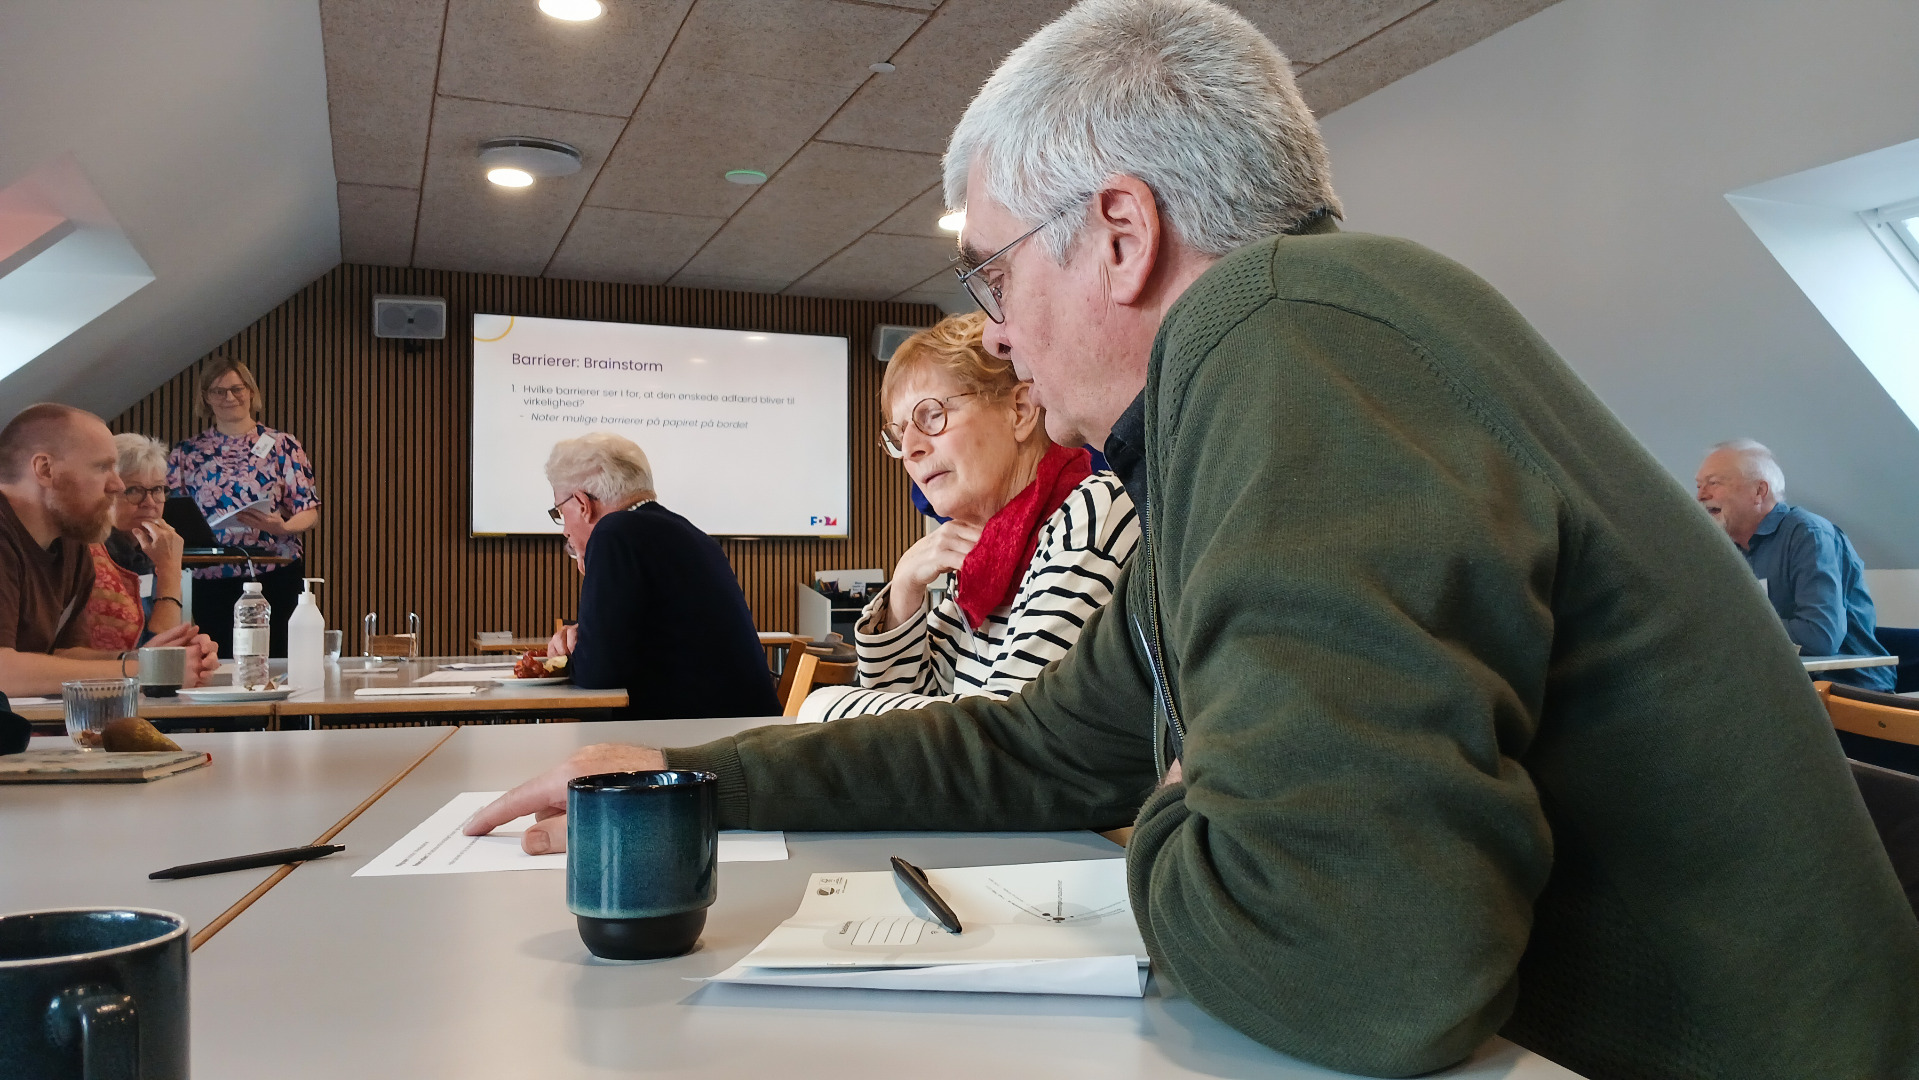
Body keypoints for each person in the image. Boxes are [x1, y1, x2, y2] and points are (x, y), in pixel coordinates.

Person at [467, 2, 1919, 1077]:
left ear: (1117, 233)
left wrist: (1182, 805)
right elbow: (1038, 749)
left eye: (990, 269)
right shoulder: (1262, 382)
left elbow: (1357, 969)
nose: (994, 333)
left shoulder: (1281, 336)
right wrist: (694, 780)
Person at [799, 312, 1137, 722]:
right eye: (899, 433)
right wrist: (904, 590)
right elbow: (900, 743)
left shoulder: (1092, 513)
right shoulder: (987, 551)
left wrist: (832, 709)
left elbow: (1015, 730)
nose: (910, 449)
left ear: (1020, 410)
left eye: (931, 416)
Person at [541, 432, 778, 721]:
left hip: (700, 748)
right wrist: (588, 637)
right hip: (739, 730)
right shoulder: (688, 533)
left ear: (582, 503)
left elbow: (597, 675)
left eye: (559, 511)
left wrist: (582, 649)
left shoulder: (614, 533)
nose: (564, 529)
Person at [0, 404, 218, 696]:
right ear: (45, 469)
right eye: (102, 467)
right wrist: (141, 671)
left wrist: (145, 660)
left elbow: (63, 655)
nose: (116, 485)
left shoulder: (72, 543)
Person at [1695, 439, 1894, 690]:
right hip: (1779, 684)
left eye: (1714, 483)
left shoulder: (1809, 534)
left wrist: (1736, 629)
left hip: (1845, 688)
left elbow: (1820, 636)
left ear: (1759, 492)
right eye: (1699, 485)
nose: (1701, 495)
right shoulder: (1725, 547)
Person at [167, 357, 320, 659]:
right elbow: (174, 513)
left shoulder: (282, 445)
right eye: (218, 391)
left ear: (251, 392)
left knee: (279, 658)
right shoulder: (187, 452)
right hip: (212, 575)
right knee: (221, 659)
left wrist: (283, 527)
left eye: (237, 389)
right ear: (206, 399)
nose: (229, 397)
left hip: (275, 570)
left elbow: (309, 509)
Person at [84, 434, 187, 652]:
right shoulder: (91, 556)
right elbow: (158, 659)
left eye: (157, 489)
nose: (149, 503)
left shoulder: (147, 551)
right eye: (133, 491)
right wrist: (170, 571)